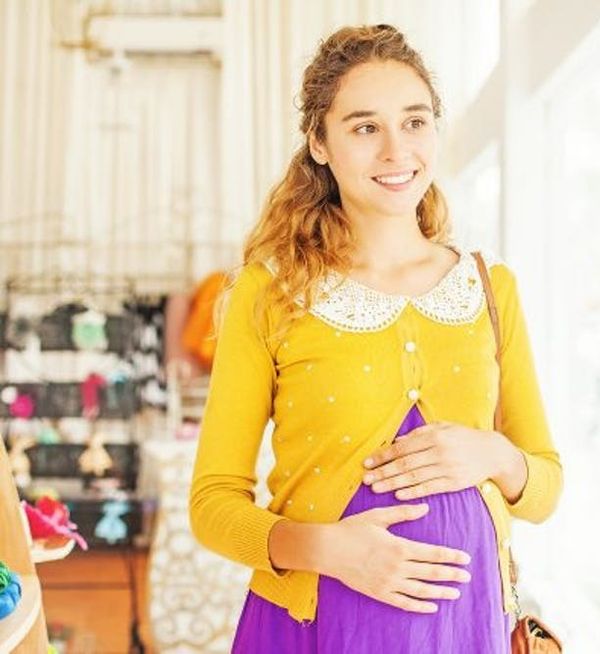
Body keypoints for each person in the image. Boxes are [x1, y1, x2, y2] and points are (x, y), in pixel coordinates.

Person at [188, 24, 563, 653]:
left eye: (414, 122)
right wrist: (326, 550)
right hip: (319, 625)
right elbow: (213, 503)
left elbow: (544, 488)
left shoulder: (490, 287)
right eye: (365, 127)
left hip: (467, 629)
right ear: (319, 142)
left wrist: (493, 455)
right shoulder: (270, 291)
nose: (396, 151)